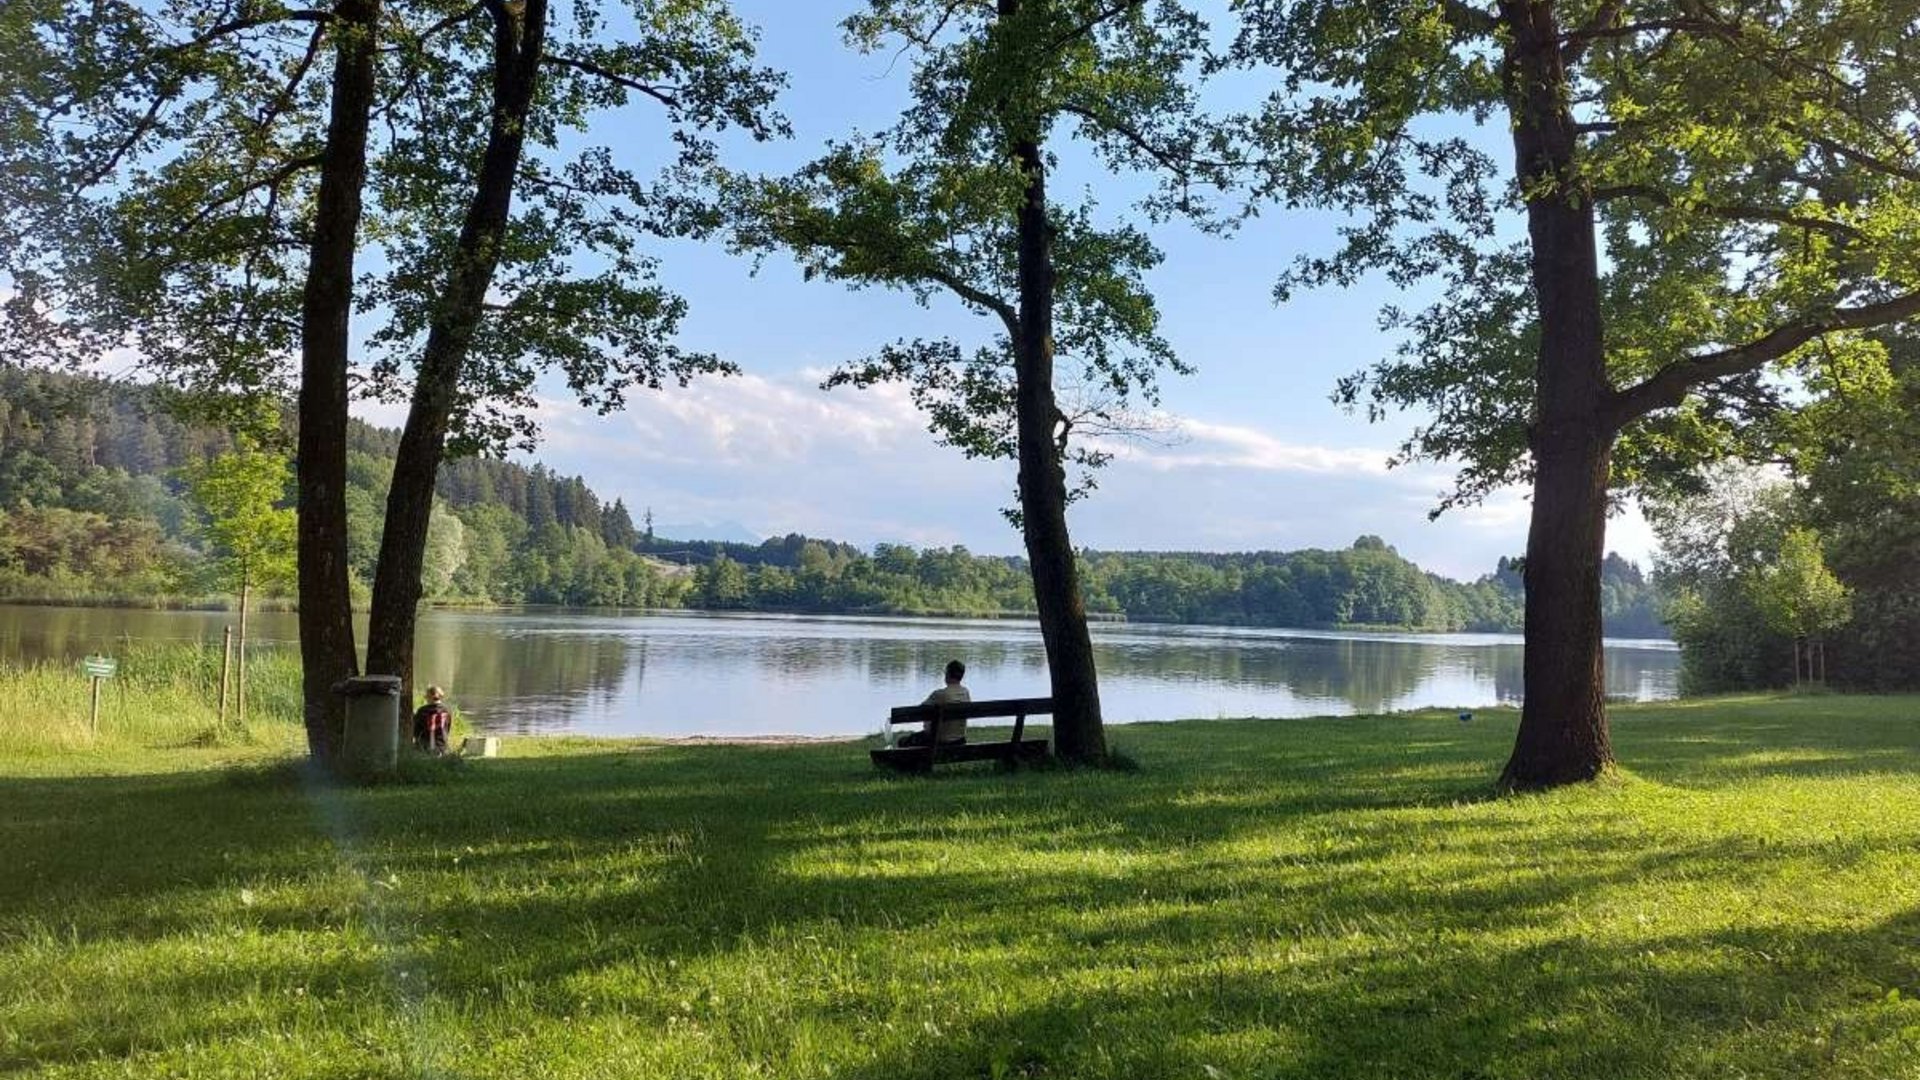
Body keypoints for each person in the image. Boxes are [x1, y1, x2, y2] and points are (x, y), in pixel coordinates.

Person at [900, 659, 969, 747]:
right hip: (959, 740)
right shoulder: (965, 692)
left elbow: (918, 711)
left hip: (938, 741)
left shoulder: (939, 694)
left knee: (903, 741)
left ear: (947, 674)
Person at [412, 685, 452, 755]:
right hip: (442, 748)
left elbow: (415, 731)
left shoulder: (422, 711)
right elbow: (447, 729)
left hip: (424, 748)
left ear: (429, 697)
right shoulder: (447, 711)